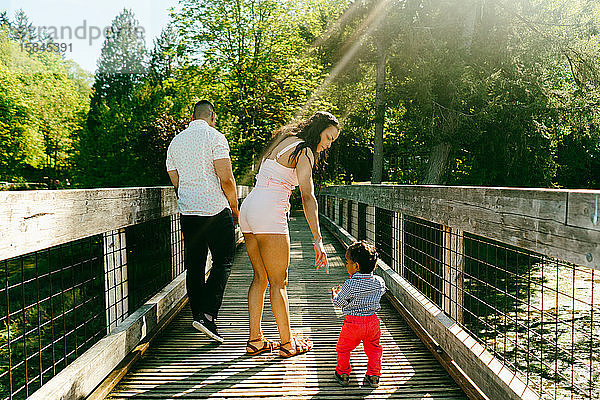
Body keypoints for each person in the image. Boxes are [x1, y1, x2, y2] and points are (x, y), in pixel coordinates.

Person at [239, 111, 340, 358]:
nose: (328, 144)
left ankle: (256, 340)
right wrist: (318, 239)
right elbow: (307, 196)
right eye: (327, 137)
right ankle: (287, 343)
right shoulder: (304, 151)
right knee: (278, 282)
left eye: (332, 141)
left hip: (250, 207)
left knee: (260, 278)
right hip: (269, 211)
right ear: (318, 130)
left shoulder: (285, 139)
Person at [166, 100, 239, 343]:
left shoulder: (176, 142)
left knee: (195, 264)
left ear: (192, 116)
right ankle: (208, 314)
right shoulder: (215, 138)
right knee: (223, 261)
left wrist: (189, 194)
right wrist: (235, 207)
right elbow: (227, 179)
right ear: (212, 116)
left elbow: (175, 179)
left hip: (189, 212)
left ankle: (198, 314)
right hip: (216, 210)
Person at [331, 241, 386, 388]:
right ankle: (374, 375)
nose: (346, 265)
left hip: (353, 324)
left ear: (356, 266)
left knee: (343, 348)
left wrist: (335, 295)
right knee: (374, 349)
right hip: (373, 322)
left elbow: (339, 303)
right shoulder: (379, 281)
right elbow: (381, 293)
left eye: (347, 262)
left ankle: (343, 373)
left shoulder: (349, 285)